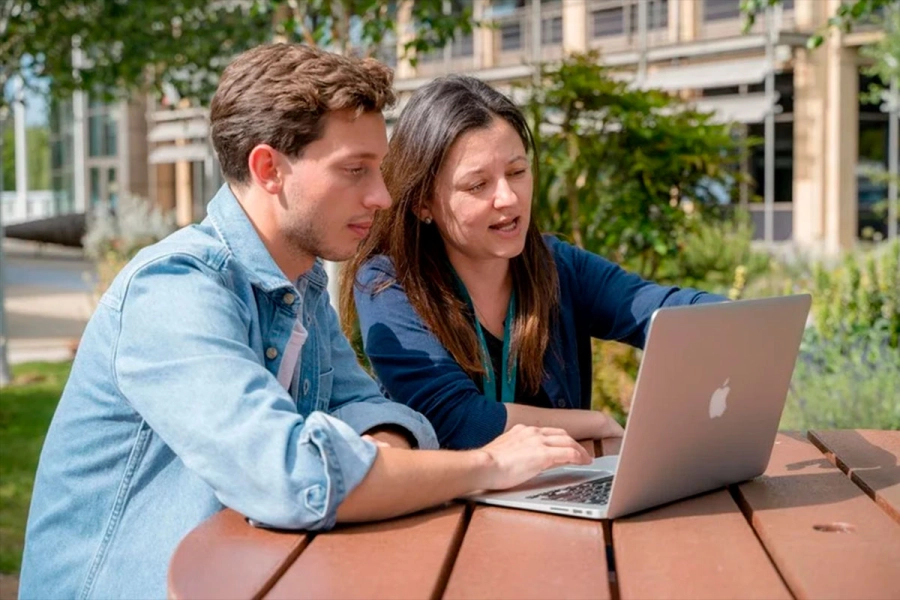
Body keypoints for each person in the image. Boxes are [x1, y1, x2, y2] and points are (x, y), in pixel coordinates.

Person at [19, 46, 593, 600]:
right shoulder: (174, 291)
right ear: (268, 168)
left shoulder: (303, 288)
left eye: (381, 169)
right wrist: (487, 464)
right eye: (355, 171)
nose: (383, 196)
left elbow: (373, 411)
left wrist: (372, 450)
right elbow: (294, 478)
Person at [341, 74, 726, 451]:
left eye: (517, 172)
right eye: (478, 185)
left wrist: (738, 320)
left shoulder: (558, 264)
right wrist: (593, 423)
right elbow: (457, 420)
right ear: (423, 203)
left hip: (556, 502)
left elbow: (663, 312)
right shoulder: (388, 284)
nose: (508, 197)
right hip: (450, 511)